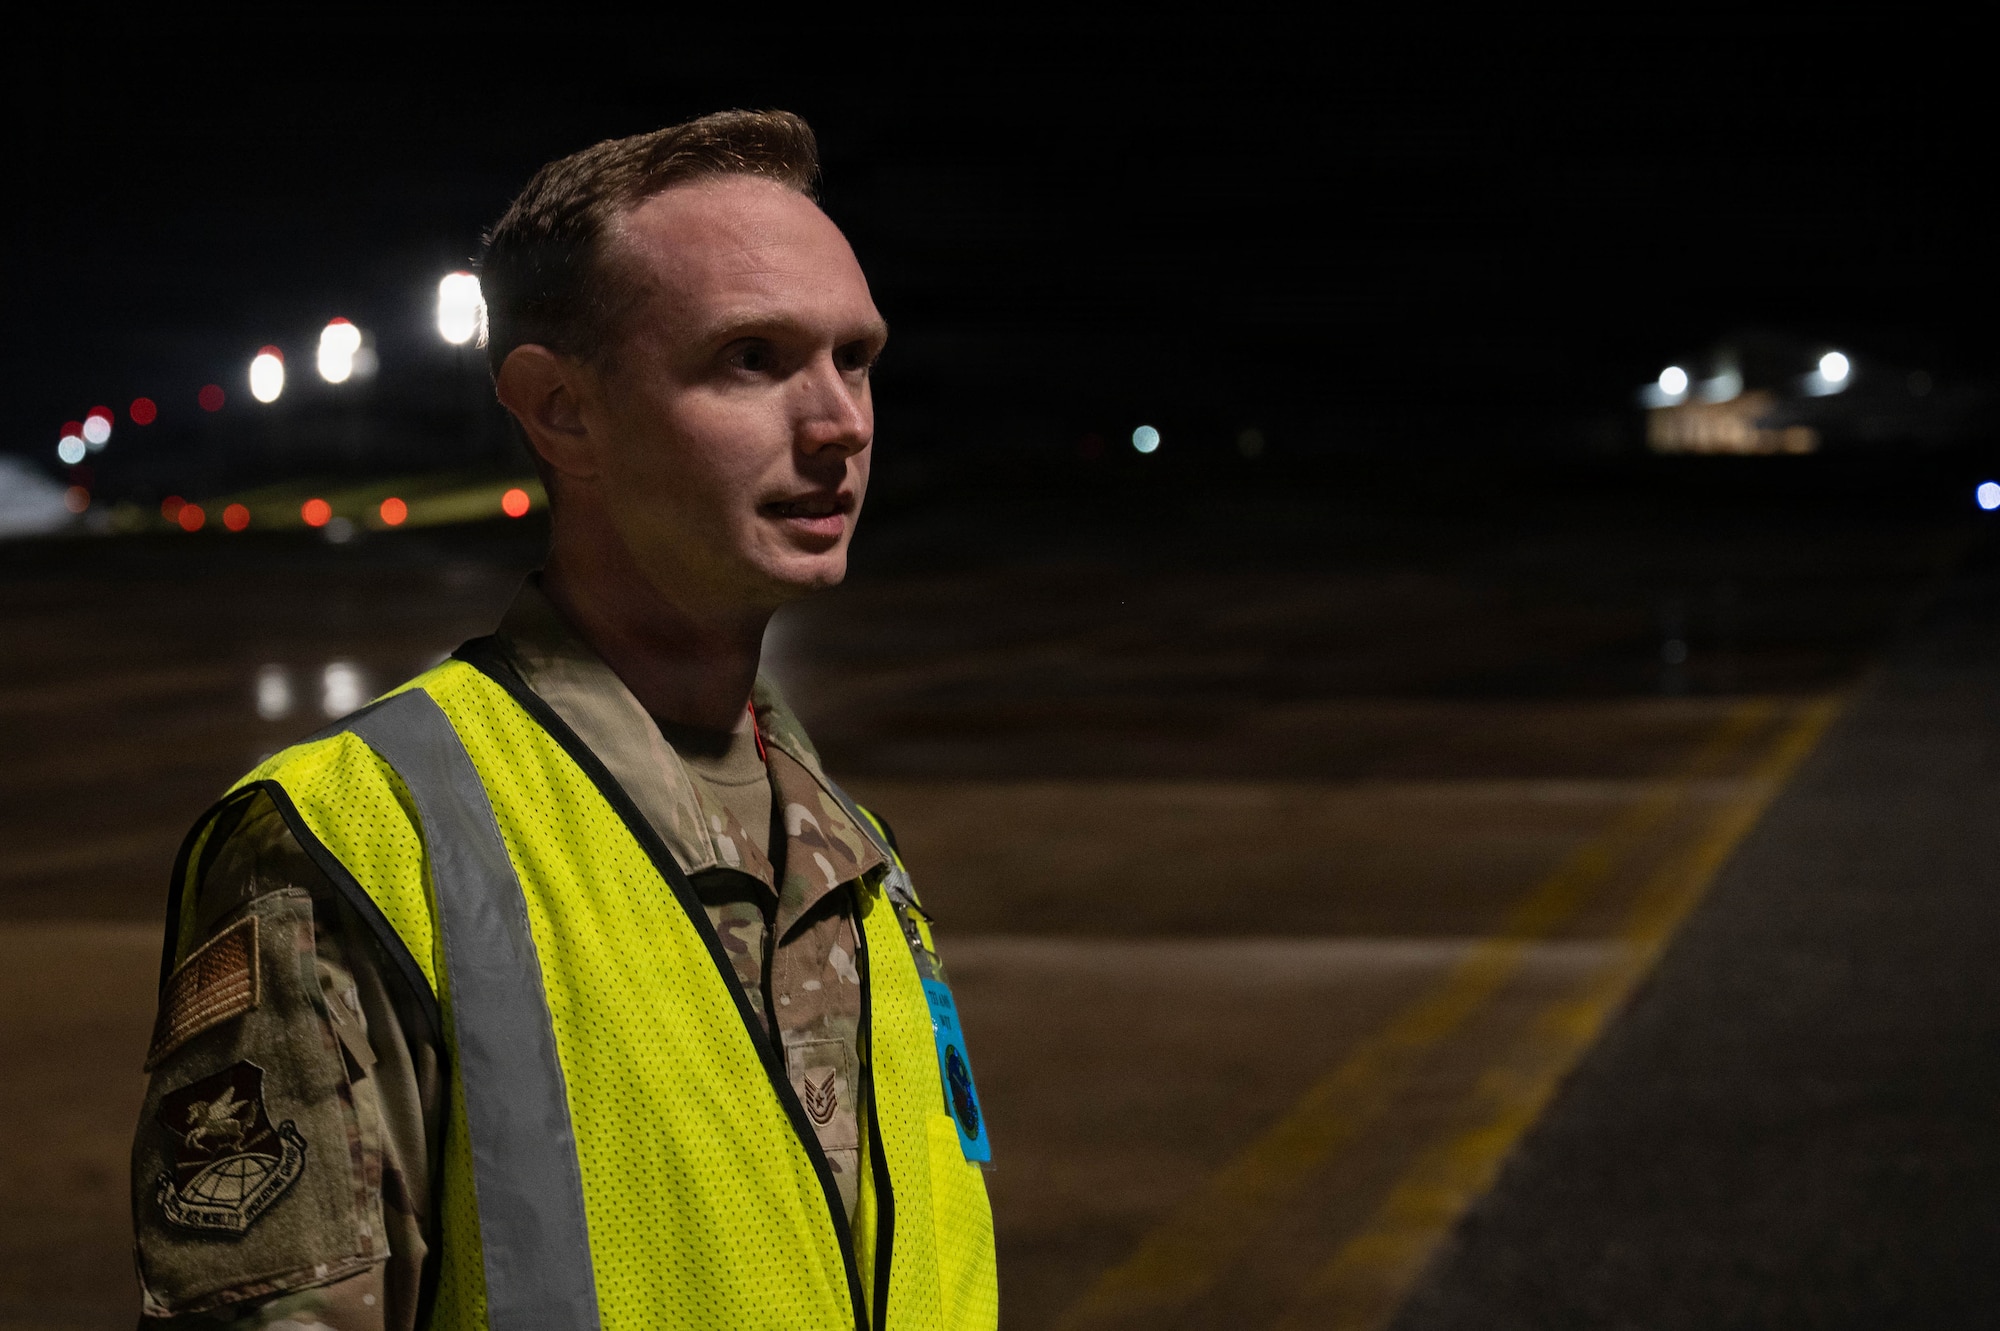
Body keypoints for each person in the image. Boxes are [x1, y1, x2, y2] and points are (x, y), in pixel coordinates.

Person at [130, 110, 998, 1331]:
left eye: (853, 358)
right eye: (751, 358)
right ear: (559, 409)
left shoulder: (852, 855)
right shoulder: (357, 838)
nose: (839, 420)